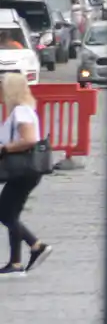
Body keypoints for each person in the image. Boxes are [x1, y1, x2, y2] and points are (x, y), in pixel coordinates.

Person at [0, 74, 52, 277]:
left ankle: (36, 245)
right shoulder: (23, 110)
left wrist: (4, 149)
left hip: (21, 171)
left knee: (4, 213)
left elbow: (29, 139)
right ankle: (15, 263)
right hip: (25, 172)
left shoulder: (21, 111)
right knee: (10, 214)